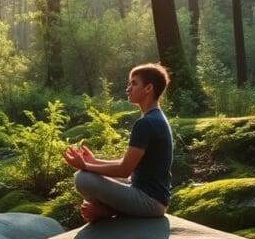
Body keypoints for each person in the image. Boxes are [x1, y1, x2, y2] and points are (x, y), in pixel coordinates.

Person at [63, 63, 173, 222]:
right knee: (88, 174)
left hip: (150, 202)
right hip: (147, 192)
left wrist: (85, 166)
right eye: (129, 83)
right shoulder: (156, 118)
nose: (128, 88)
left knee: (82, 178)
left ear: (148, 88)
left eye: (134, 83)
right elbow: (129, 165)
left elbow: (124, 170)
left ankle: (107, 212)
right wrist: (94, 161)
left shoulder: (146, 123)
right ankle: (106, 210)